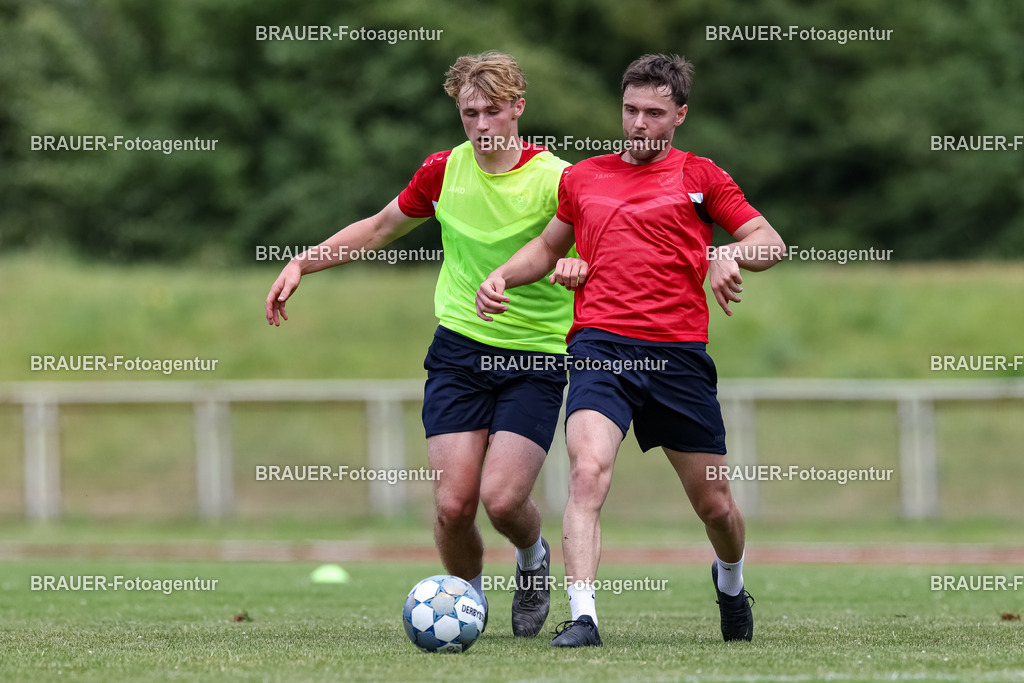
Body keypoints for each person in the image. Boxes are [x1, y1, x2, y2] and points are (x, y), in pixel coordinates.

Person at [476, 53, 786, 647]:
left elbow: (770, 242)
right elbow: (546, 248)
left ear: (679, 116)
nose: (639, 123)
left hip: (678, 356)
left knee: (715, 504)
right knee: (586, 471)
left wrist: (727, 254)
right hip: (600, 347)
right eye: (630, 110)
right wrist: (504, 277)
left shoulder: (703, 179)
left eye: (654, 113)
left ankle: (730, 582)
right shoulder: (583, 178)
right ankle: (584, 617)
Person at [266, 51, 577, 638]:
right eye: (468, 113)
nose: (481, 126)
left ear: (519, 108)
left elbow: (596, 250)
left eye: (492, 111)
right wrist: (303, 263)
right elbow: (381, 228)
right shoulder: (443, 171)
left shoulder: (558, 179)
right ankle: (467, 604)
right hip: (460, 350)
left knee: (503, 500)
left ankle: (533, 557)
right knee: (454, 507)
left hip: (536, 354)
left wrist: (576, 267)